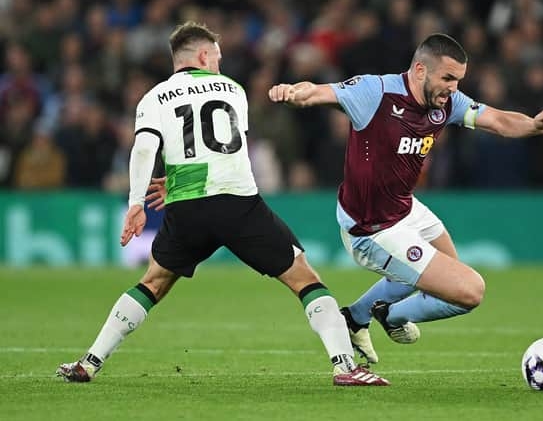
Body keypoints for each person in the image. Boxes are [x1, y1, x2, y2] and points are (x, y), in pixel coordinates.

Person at [56, 21, 388, 386]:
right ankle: (344, 366)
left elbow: (146, 148)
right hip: (238, 204)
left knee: (153, 281)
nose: (219, 62)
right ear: (203, 55)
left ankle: (89, 362)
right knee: (304, 277)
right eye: (217, 56)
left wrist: (138, 202)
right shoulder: (234, 90)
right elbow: (228, 150)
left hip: (187, 210)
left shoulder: (154, 97)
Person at [268, 33, 543, 364]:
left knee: (450, 279)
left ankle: (358, 318)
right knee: (470, 291)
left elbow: (498, 120)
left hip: (406, 209)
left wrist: (534, 125)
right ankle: (390, 315)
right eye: (448, 78)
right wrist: (295, 93)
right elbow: (320, 91)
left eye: (458, 80)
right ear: (420, 70)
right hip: (371, 228)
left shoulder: (447, 102)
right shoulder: (375, 92)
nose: (453, 87)